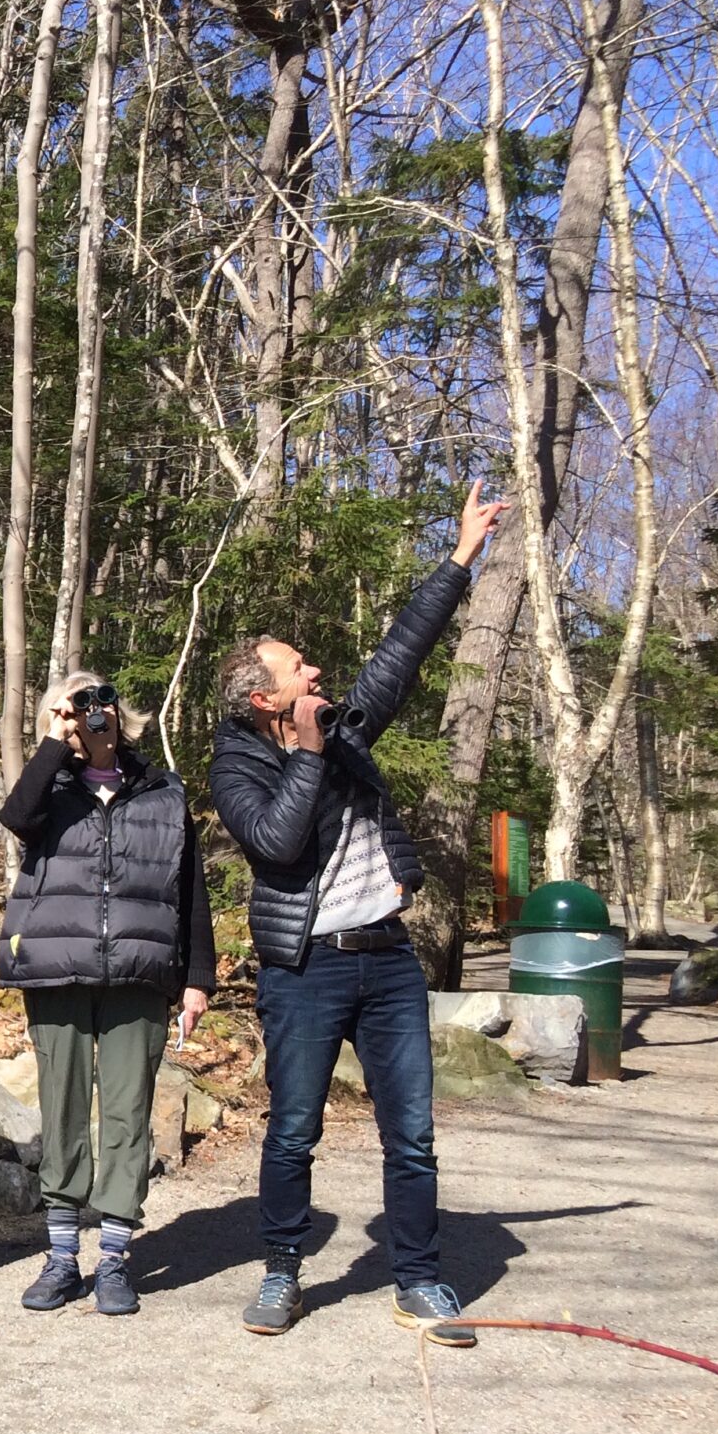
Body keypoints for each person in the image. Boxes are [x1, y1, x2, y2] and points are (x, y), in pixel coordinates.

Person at [212, 480, 506, 1345]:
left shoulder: (343, 723)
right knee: (294, 1130)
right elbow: (277, 844)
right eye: (297, 668)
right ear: (265, 699)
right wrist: (308, 753)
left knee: (410, 1135)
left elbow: (401, 653)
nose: (316, 671)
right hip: (305, 970)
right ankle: (282, 1271)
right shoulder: (238, 762)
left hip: (386, 960)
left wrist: (460, 555)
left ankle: (420, 1277)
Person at [0, 673, 214, 1317]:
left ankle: (115, 1255)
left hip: (141, 971)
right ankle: (63, 1256)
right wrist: (55, 746)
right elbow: (16, 818)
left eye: (97, 702)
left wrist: (197, 977)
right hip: (57, 968)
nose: (89, 714)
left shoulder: (163, 790)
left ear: (120, 713)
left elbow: (189, 888)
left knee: (127, 1112)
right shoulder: (49, 787)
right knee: (62, 1108)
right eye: (71, 707)